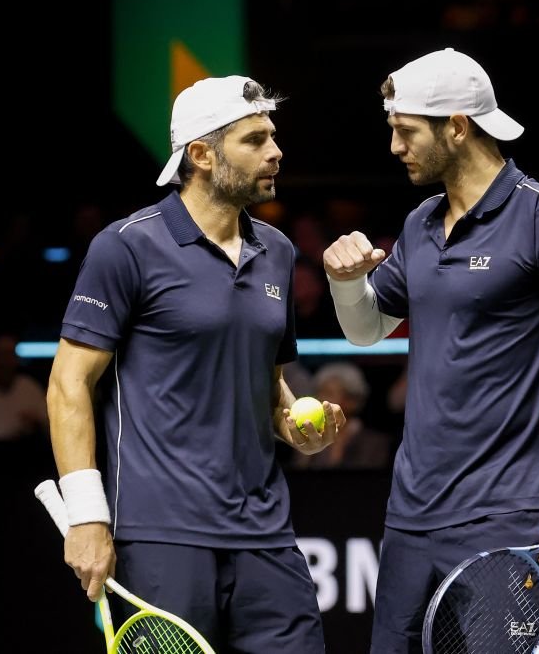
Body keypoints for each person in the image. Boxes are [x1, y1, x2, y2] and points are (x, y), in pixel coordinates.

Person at [322, 48, 539, 651]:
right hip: (410, 519)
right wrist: (345, 283)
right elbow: (367, 330)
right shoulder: (420, 224)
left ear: (458, 127)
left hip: (505, 518)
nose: (395, 147)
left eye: (406, 131)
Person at [46, 76, 343, 652]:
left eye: (273, 136)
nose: (275, 152)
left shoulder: (278, 252)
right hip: (160, 535)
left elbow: (267, 379)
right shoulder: (126, 247)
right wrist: (86, 516)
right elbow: (68, 385)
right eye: (255, 140)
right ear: (202, 155)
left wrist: (294, 427)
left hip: (264, 533)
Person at [292, 361, 392, 470]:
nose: (320, 401)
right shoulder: (308, 438)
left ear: (352, 401)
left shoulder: (375, 443)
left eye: (329, 393)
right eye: (318, 393)